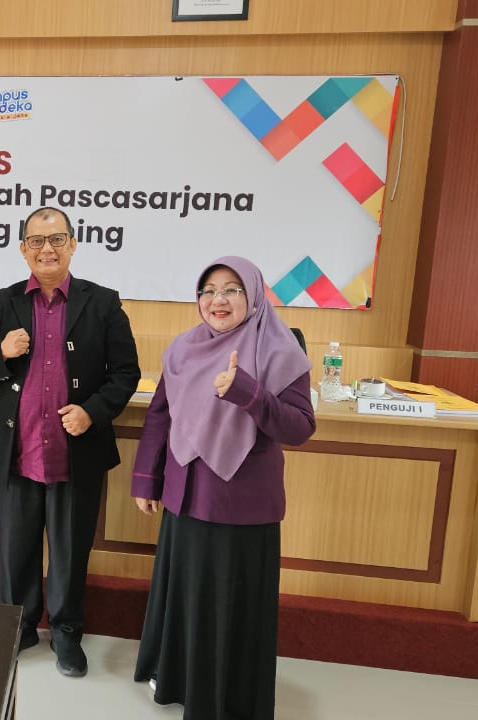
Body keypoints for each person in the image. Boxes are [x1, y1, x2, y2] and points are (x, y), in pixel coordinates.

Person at [131, 256, 315, 716]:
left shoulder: (280, 350)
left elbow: (299, 428)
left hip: (242, 507)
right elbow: (160, 417)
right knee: (188, 598)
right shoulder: (182, 349)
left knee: (230, 606)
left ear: (253, 296)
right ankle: (179, 681)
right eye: (209, 290)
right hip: (186, 498)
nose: (218, 299)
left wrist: (248, 392)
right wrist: (147, 479)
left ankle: (226, 697)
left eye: (232, 289)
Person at [0, 207, 140, 678]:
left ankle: (66, 633)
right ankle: (17, 629)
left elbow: (126, 373)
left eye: (57, 239)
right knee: (16, 551)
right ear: (23, 249)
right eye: (37, 241)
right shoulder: (1, 303)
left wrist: (92, 412)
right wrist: (1, 352)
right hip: (18, 450)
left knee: (69, 552)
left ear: (73, 244)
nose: (47, 249)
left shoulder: (102, 303)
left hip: (75, 453)